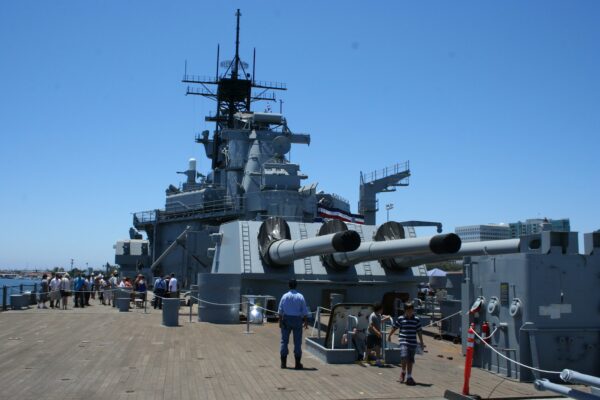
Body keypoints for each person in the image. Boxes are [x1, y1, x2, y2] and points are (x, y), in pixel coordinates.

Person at [387, 302, 425, 386]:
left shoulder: (416, 319)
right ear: (405, 311)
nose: (410, 312)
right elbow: (395, 327)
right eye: (408, 310)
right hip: (403, 340)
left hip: (412, 341)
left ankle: (409, 376)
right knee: (404, 356)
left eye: (411, 310)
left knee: (410, 360)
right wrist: (389, 335)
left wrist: (422, 342)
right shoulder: (401, 318)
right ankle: (403, 371)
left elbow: (419, 331)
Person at [277, 279, 309, 370]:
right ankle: (297, 364)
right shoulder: (300, 296)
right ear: (296, 285)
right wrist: (306, 322)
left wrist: (280, 321)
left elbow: (280, 310)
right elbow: (304, 311)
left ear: (289, 285)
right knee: (297, 342)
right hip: (297, 320)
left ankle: (283, 363)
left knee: (284, 341)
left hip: (286, 319)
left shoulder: (284, 296)